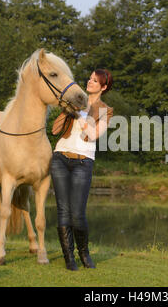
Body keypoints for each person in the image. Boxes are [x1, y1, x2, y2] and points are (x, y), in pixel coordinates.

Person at [50, 69, 113, 271]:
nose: (90, 81)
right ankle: (69, 258)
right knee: (63, 211)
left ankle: (83, 253)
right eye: (90, 78)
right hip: (60, 157)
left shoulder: (104, 110)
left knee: (77, 213)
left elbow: (94, 134)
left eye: (95, 81)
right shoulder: (74, 101)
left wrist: (78, 115)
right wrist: (67, 111)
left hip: (83, 162)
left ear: (103, 87)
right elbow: (54, 130)